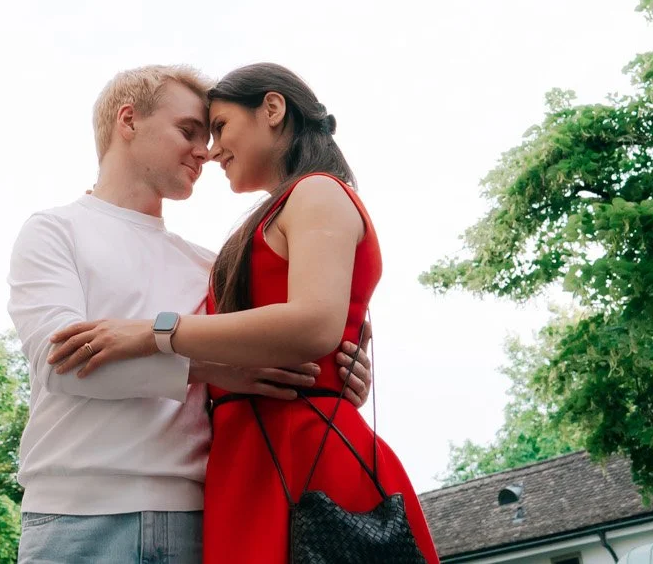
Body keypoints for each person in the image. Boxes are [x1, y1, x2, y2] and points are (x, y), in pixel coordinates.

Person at [47, 63, 439, 564]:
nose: (211, 151)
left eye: (220, 127)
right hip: (248, 453)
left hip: (297, 450)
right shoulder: (272, 218)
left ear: (272, 109)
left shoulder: (317, 191)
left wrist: (155, 332)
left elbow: (317, 323)